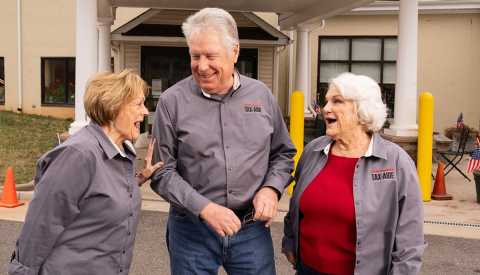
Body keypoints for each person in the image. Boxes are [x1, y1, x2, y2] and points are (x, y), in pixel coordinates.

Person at [150, 7, 296, 275]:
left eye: (210, 56)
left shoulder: (262, 96)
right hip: (192, 230)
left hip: (250, 230)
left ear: (235, 52)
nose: (202, 66)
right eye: (195, 56)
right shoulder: (172, 102)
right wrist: (204, 208)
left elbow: (283, 154)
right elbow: (162, 173)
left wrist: (271, 189)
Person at [8, 70, 163, 275]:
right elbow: (41, 225)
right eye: (138, 104)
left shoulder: (119, 152)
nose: (145, 112)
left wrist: (139, 178)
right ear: (113, 106)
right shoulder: (78, 155)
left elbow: (99, 195)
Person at [282, 72, 426, 275]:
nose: (325, 109)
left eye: (337, 101)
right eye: (327, 101)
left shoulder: (396, 162)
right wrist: (290, 240)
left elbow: (410, 241)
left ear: (362, 111)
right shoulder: (313, 151)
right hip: (307, 270)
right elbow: (296, 206)